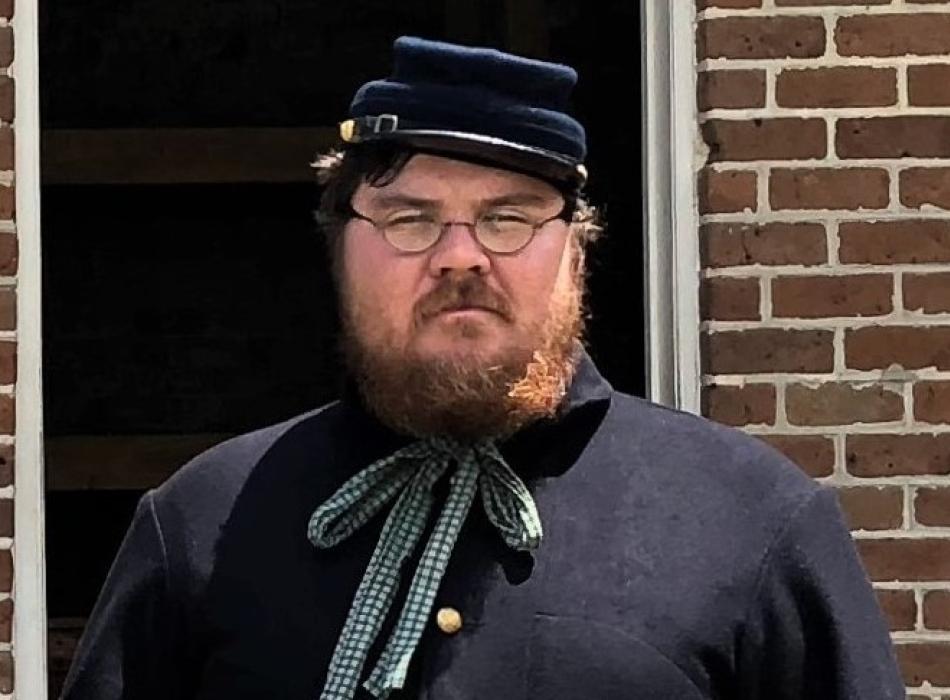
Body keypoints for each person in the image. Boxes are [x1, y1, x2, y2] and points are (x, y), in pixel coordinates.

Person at [61, 36, 905, 700]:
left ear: (577, 250)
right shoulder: (201, 524)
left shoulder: (753, 523)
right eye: (409, 219)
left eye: (508, 217)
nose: (460, 258)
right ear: (338, 249)